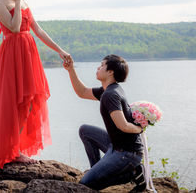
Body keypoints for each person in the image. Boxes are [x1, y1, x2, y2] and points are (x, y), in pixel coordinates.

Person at [0, 0, 70, 171]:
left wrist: (60, 50)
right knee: (12, 102)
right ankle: (13, 152)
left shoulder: (24, 1)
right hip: (12, 55)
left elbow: (36, 29)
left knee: (29, 101)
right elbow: (14, 26)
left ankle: (17, 148)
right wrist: (17, 3)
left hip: (29, 53)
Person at [63, 54, 147, 192]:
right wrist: (71, 69)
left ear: (110, 72)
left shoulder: (110, 95)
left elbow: (123, 126)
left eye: (102, 65)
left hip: (127, 153)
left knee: (85, 184)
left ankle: (133, 174)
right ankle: (96, 170)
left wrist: (139, 129)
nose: (98, 67)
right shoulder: (108, 90)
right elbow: (82, 92)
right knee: (84, 130)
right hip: (116, 145)